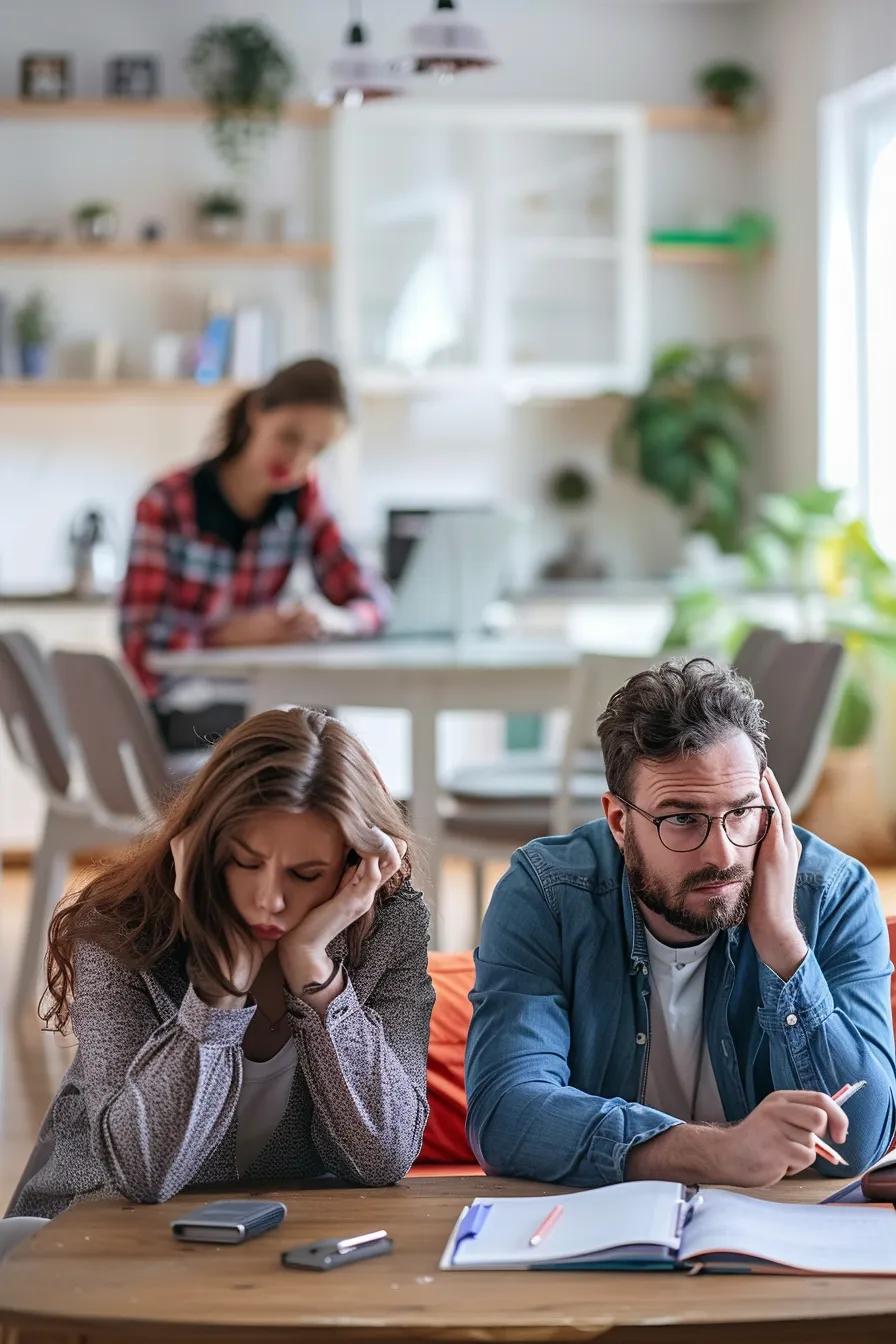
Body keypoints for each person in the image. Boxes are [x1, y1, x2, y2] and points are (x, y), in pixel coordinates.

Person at [5, 707, 433, 1240]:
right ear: (203, 845)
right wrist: (221, 986)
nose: (269, 899)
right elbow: (142, 1174)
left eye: (305, 874)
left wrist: (314, 972)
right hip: (96, 1238)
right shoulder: (119, 929)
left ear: (353, 868)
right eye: (245, 863)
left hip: (275, 1247)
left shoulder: (390, 929)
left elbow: (385, 1155)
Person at [466, 658, 896, 1189]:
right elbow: (507, 1115)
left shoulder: (832, 892)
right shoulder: (548, 893)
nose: (723, 853)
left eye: (742, 812)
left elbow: (859, 1141)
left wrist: (784, 946)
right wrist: (710, 1153)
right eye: (683, 819)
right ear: (619, 822)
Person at [118, 358, 390, 750]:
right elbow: (141, 643)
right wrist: (227, 635)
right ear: (257, 412)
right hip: (181, 709)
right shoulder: (167, 502)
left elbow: (375, 601)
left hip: (266, 696)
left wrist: (336, 619)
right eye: (289, 437)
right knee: (302, 732)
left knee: (320, 730)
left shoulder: (305, 500)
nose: (298, 460)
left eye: (317, 449)